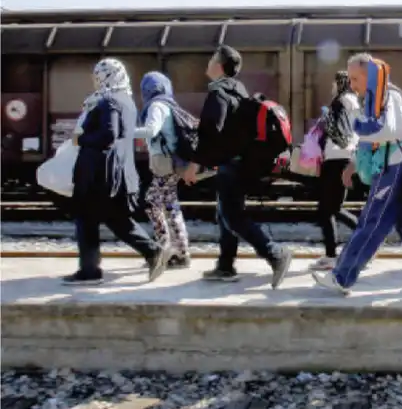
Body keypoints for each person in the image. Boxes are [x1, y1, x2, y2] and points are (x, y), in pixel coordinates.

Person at [312, 53, 402, 294]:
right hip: (392, 166)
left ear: (369, 75)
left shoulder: (390, 96)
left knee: (371, 222)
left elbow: (392, 130)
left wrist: (357, 127)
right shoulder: (377, 97)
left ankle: (342, 276)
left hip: (392, 168)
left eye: (355, 78)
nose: (351, 85)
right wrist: (354, 160)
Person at [182, 45, 292, 288]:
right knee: (225, 214)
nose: (208, 63)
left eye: (211, 59)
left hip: (231, 165)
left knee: (233, 216)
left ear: (219, 66)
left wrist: (194, 164)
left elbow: (211, 132)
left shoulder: (218, 93)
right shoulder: (239, 90)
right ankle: (225, 265)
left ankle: (275, 253)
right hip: (241, 162)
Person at [63, 58, 169, 285]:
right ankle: (153, 252)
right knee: (115, 220)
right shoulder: (124, 99)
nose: (95, 80)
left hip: (101, 175)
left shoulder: (109, 101)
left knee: (87, 219)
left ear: (107, 76)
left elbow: (109, 135)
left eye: (98, 75)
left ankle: (90, 271)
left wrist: (79, 139)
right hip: (113, 172)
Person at [135, 71, 190, 269]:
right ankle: (179, 252)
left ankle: (163, 248)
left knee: (152, 203)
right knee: (168, 204)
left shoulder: (156, 106)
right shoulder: (168, 103)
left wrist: (124, 132)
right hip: (169, 160)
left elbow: (151, 130)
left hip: (164, 161)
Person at [309, 71, 361, 271]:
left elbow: (337, 131)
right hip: (347, 157)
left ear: (339, 83)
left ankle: (332, 255)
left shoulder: (339, 102)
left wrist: (324, 123)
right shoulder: (354, 101)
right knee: (333, 208)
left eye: (334, 83)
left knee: (326, 210)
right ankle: (363, 242)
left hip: (336, 158)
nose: (332, 87)